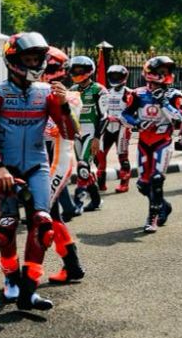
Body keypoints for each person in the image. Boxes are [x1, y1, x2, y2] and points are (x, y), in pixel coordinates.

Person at [0, 32, 81, 311]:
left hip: (37, 166)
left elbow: (69, 133)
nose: (34, 63)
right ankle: (10, 279)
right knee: (6, 229)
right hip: (5, 169)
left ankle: (29, 290)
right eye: (28, 58)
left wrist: (64, 106)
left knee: (44, 224)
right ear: (14, 60)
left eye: (37, 58)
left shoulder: (46, 93)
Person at [121, 56, 182, 233]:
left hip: (163, 142)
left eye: (165, 72)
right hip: (143, 143)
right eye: (160, 72)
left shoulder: (174, 95)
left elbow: (180, 119)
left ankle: (152, 218)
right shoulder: (138, 94)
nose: (163, 75)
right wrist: (137, 123)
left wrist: (163, 103)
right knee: (142, 184)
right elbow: (125, 115)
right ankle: (164, 206)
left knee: (157, 179)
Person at [40, 46, 86, 285]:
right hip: (44, 159)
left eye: (46, 67)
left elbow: (70, 128)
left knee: (44, 213)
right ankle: (73, 266)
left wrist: (60, 103)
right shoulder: (38, 93)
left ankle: (31, 270)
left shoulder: (71, 96)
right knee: (53, 213)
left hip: (60, 159)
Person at [68, 56, 106, 212]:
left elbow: (104, 116)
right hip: (77, 133)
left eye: (80, 70)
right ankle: (96, 201)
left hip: (92, 132)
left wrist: (97, 137)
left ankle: (78, 202)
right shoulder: (71, 90)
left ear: (89, 71)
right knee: (83, 168)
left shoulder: (99, 90)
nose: (77, 73)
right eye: (74, 70)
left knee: (83, 166)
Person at [98, 64, 134, 194]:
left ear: (124, 77)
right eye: (112, 76)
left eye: (117, 76)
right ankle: (101, 184)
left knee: (123, 157)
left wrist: (122, 119)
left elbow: (133, 112)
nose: (115, 78)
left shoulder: (129, 93)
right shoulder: (105, 92)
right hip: (107, 127)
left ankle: (124, 184)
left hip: (122, 129)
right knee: (100, 156)